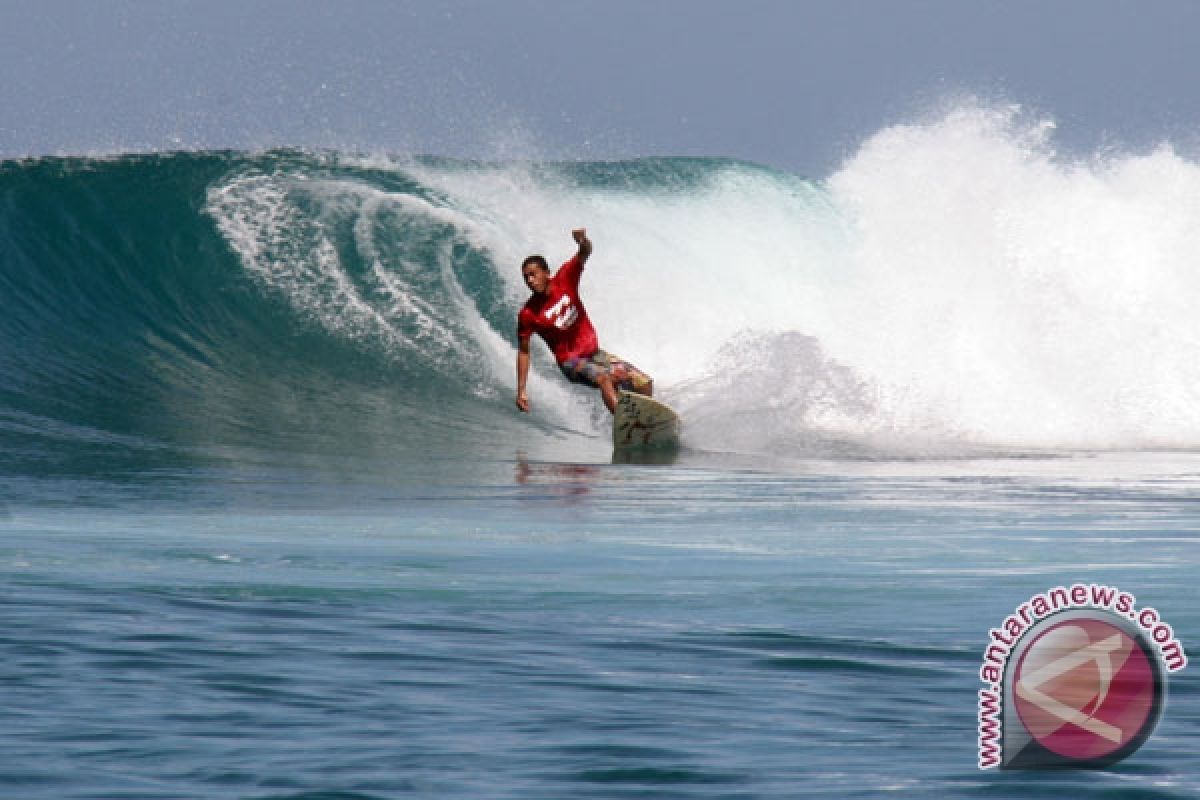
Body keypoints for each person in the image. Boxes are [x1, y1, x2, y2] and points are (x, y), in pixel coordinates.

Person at [516, 228, 653, 415]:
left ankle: (648, 419)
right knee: (604, 378)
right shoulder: (528, 313)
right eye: (526, 277)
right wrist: (522, 389)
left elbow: (585, 251)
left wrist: (582, 240)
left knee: (643, 382)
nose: (530, 281)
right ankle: (628, 424)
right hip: (571, 362)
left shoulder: (565, 278)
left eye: (533, 274)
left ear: (547, 273)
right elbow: (524, 352)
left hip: (595, 353)